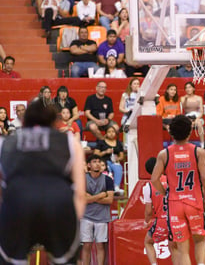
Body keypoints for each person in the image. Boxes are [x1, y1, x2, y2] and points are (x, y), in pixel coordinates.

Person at [0, 98, 86, 264]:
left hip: (18, 203)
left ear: (25, 120)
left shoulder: (6, 143)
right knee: (65, 261)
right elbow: (80, 193)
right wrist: (73, 221)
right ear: (55, 120)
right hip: (58, 203)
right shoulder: (69, 141)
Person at [151, 115, 205, 265]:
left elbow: (154, 179)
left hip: (175, 204)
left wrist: (165, 193)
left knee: (183, 249)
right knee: (199, 241)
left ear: (171, 132)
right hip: (194, 202)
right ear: (190, 131)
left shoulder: (164, 154)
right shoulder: (198, 152)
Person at [143, 157, 178, 265]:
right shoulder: (173, 179)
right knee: (174, 246)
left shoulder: (148, 186)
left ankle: (154, 264)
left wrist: (146, 221)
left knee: (148, 242)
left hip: (162, 220)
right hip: (177, 219)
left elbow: (148, 211)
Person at [81, 154, 114, 265]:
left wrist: (91, 198)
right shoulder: (82, 178)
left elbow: (109, 200)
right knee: (87, 245)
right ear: (89, 165)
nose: (97, 163)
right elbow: (82, 199)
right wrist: (101, 195)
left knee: (100, 245)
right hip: (86, 216)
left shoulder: (108, 180)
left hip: (102, 217)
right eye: (94, 161)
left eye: (99, 161)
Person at [93, 126, 125, 195]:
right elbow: (95, 154)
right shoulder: (101, 142)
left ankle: (116, 187)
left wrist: (117, 159)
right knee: (106, 168)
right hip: (104, 161)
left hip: (114, 161)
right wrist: (105, 152)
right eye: (109, 132)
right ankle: (107, 187)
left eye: (113, 132)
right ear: (106, 133)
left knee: (118, 167)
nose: (111, 133)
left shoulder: (118, 143)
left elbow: (121, 156)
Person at [180, 82, 205, 148]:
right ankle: (185, 143)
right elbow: (183, 108)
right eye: (186, 88)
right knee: (190, 124)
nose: (188, 89)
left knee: (199, 123)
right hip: (187, 116)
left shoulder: (199, 98)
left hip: (197, 116)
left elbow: (201, 111)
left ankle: (202, 144)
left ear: (193, 88)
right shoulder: (183, 98)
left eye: (190, 87)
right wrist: (185, 100)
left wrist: (197, 118)